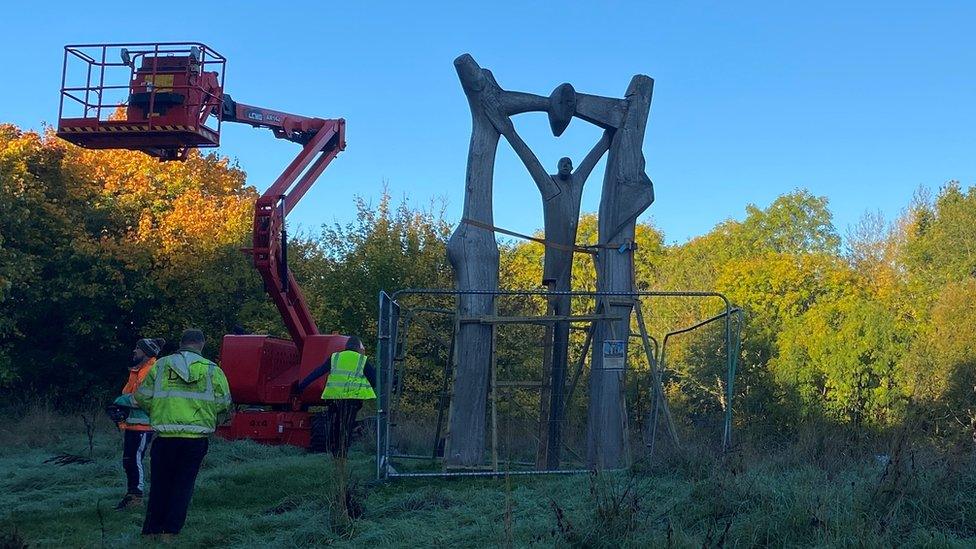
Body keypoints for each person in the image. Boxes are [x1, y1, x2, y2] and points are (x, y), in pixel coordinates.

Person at [126, 329, 231, 537]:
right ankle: (170, 533)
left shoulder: (162, 365)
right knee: (183, 486)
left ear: (182, 342)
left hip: (165, 437)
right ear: (201, 344)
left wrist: (160, 411)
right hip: (195, 441)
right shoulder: (212, 370)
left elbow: (142, 397)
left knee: (160, 485)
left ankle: (152, 531)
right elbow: (223, 404)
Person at [296, 336, 376, 458]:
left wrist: (302, 385)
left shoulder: (335, 357)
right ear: (359, 348)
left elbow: (318, 372)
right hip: (353, 400)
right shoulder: (362, 360)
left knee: (337, 425)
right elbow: (375, 380)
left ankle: (336, 453)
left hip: (335, 398)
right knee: (346, 426)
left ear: (346, 347)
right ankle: (342, 455)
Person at [113, 338, 165, 510]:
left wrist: (120, 401)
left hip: (143, 425)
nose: (134, 351)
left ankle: (136, 496)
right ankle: (132, 495)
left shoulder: (149, 371)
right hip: (133, 424)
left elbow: (141, 398)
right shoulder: (138, 370)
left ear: (146, 352)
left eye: (138, 348)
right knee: (129, 460)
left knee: (134, 459)